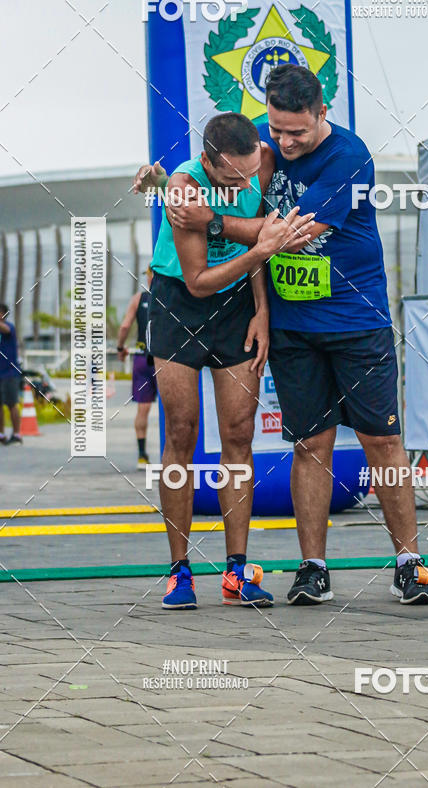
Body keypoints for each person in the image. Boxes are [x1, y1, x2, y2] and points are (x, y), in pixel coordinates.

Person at [156, 66, 428, 607]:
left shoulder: (351, 159)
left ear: (322, 113)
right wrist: (171, 188)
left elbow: (289, 234)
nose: (283, 143)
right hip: (293, 330)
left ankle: (409, 562)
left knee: (382, 441)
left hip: (356, 323)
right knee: (310, 445)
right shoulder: (259, 147)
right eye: (276, 130)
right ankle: (313, 569)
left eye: (296, 134)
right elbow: (217, 182)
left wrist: (209, 222)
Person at [133, 112, 313, 610]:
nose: (246, 182)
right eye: (234, 177)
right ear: (210, 163)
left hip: (236, 306)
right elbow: (199, 281)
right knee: (182, 433)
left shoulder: (261, 159)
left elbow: (253, 238)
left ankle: (237, 570)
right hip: (180, 302)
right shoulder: (185, 191)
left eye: (251, 172)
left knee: (238, 433)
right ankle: (179, 571)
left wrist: (261, 309)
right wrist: (263, 246)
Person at [116, 267, 157, 469]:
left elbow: (124, 326)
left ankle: (142, 456)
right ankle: (176, 457)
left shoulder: (138, 298)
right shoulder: (173, 297)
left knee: (143, 409)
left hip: (142, 359)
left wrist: (120, 347)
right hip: (166, 359)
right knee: (175, 409)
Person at [0, 302, 22, 446]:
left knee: (12, 404)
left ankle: (16, 434)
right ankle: (1, 434)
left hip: (10, 373)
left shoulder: (9, 328)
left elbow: (6, 329)